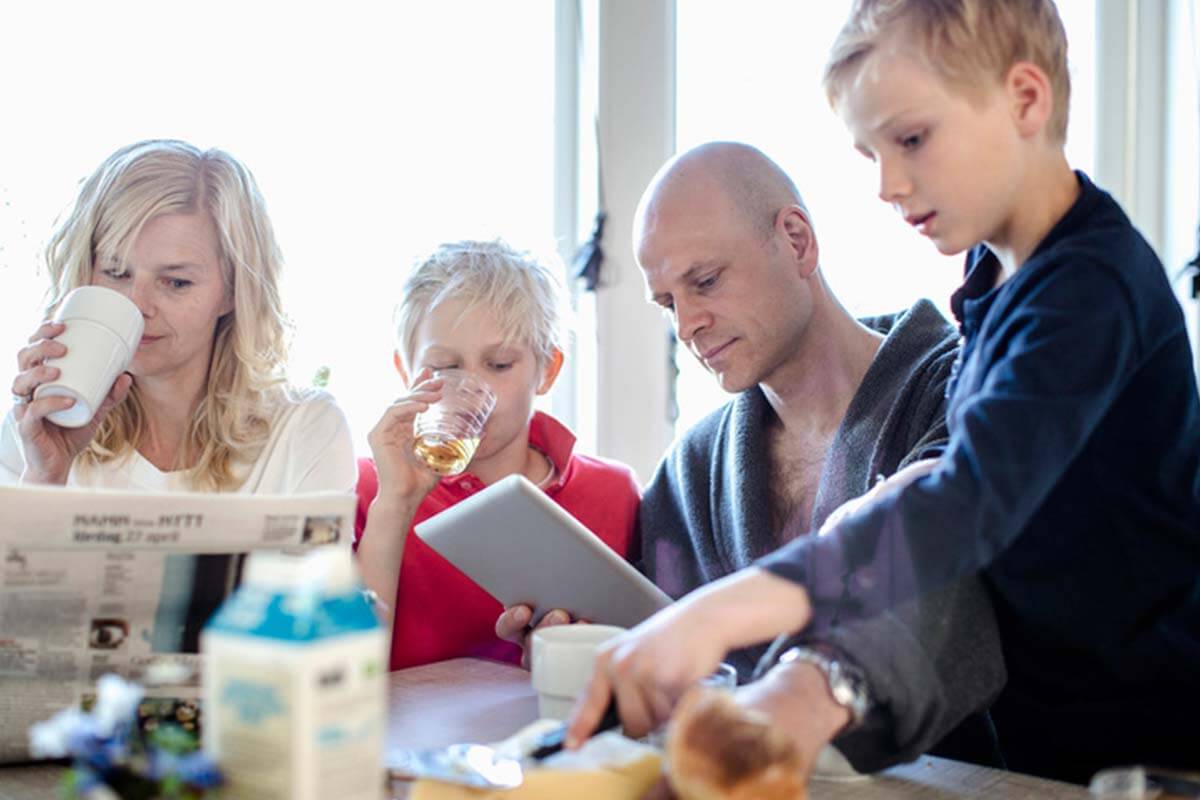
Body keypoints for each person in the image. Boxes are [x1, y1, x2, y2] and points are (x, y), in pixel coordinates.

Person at [569, 0, 1200, 784]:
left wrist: (726, 608)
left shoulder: (1090, 290)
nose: (887, 185)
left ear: (1026, 99)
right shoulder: (997, 284)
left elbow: (963, 505)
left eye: (911, 139)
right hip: (1047, 743)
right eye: (870, 155)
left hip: (1154, 747)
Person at [503, 141, 1006, 771]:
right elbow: (669, 662)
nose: (686, 325)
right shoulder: (691, 471)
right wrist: (587, 647)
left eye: (705, 281)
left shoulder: (962, 395)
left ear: (796, 241)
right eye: (668, 304)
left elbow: (937, 563)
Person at [2, 139, 354, 495]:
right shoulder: (34, 430)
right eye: (115, 272)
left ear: (232, 292)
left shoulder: (304, 430)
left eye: (176, 282)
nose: (138, 305)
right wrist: (45, 479)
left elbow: (321, 553)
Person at [353, 240, 640, 670]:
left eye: (500, 364)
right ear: (404, 373)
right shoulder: (368, 490)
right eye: (444, 367)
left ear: (548, 370)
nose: (470, 390)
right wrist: (394, 506)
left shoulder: (613, 492)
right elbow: (346, 668)